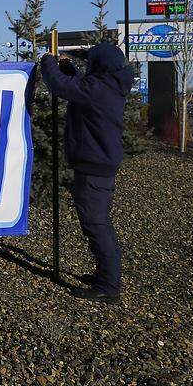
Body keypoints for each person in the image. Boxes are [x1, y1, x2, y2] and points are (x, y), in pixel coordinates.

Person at [39, 41, 135, 304]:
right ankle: (104, 275)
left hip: (94, 166)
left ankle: (108, 286)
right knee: (96, 221)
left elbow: (62, 88)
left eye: (91, 62)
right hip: (96, 163)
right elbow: (80, 88)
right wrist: (69, 68)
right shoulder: (108, 85)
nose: (88, 64)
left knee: (96, 223)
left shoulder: (100, 88)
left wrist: (47, 61)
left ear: (100, 65)